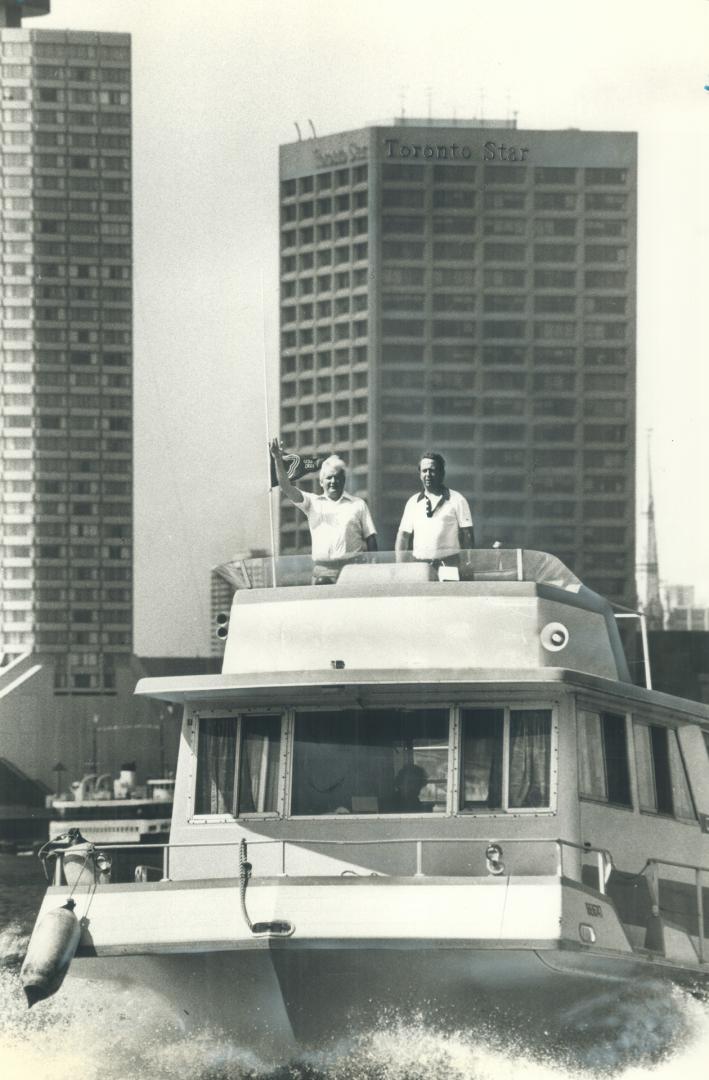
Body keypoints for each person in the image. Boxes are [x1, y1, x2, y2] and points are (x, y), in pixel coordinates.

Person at [269, 438, 377, 580]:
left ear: (344, 480)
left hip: (352, 570)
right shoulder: (313, 502)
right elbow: (286, 487)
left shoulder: (358, 504)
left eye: (337, 477)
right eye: (329, 478)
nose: (333, 481)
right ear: (321, 481)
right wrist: (277, 459)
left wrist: (373, 571)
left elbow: (371, 538)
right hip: (323, 571)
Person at [395, 451, 474, 562]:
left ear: (441, 473)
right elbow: (403, 536)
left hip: (449, 563)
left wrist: (468, 563)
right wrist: (400, 566)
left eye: (432, 470)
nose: (427, 474)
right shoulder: (413, 502)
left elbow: (468, 535)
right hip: (420, 565)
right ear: (420, 474)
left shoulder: (457, 499)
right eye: (424, 471)